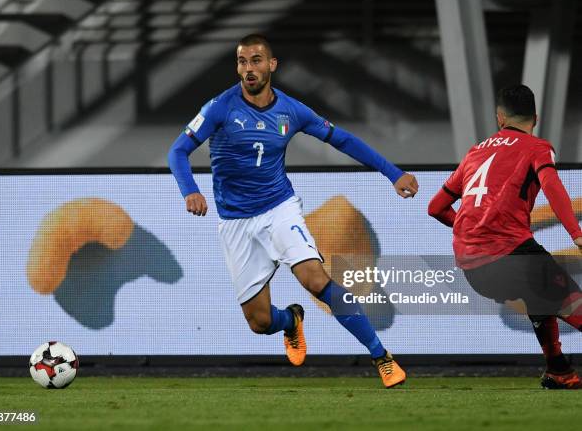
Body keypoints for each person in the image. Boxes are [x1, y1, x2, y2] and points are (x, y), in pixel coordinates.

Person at [168, 34, 418, 388]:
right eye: (242, 61)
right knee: (259, 323)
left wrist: (393, 173)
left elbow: (343, 139)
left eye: (256, 60)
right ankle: (291, 321)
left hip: (278, 209)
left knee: (316, 280)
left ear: (272, 65)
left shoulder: (292, 110)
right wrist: (189, 190)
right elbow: (177, 151)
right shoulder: (220, 107)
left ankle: (382, 357)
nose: (248, 68)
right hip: (236, 223)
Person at [428, 84, 582, 389]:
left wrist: (469, 227)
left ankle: (559, 371)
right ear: (535, 118)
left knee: (541, 293)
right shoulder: (537, 147)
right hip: (510, 251)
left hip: (472, 268)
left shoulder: (474, 153)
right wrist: (576, 234)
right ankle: (558, 369)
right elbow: (552, 186)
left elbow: (435, 207)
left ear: (500, 118)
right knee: (569, 300)